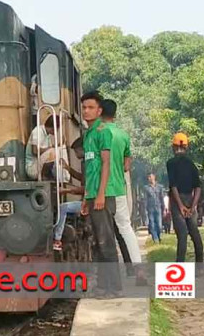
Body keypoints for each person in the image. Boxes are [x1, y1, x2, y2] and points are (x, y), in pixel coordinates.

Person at [99, 99, 145, 285]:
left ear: (100, 112)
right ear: (115, 114)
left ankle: (109, 279)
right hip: (118, 188)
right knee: (126, 228)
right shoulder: (123, 135)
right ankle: (139, 269)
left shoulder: (98, 133)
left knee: (104, 234)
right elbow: (127, 165)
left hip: (101, 191)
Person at [80, 91, 121, 296]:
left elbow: (105, 164)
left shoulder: (103, 132)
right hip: (92, 195)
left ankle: (114, 287)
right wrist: (86, 197)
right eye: (84, 107)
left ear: (99, 110)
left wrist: (100, 195)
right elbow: (89, 169)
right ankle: (103, 285)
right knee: (96, 242)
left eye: (90, 108)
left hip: (103, 194)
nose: (86, 111)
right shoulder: (87, 135)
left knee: (106, 241)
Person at [166, 133, 204, 263]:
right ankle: (200, 265)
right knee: (194, 233)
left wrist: (180, 205)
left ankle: (180, 267)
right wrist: (193, 206)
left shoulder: (171, 163)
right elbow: (198, 187)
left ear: (173, 146)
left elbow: (173, 186)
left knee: (182, 235)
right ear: (186, 147)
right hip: (191, 198)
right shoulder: (191, 164)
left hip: (178, 200)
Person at [25, 115, 69, 181]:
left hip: (40, 164)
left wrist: (59, 146)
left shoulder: (47, 135)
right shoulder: (38, 131)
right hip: (32, 167)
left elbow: (49, 149)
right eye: (57, 129)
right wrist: (52, 148)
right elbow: (35, 151)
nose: (57, 131)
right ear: (53, 127)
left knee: (61, 149)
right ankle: (44, 176)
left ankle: (64, 177)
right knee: (53, 152)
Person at [143, 173, 166, 243]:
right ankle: (155, 239)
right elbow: (145, 199)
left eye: (150, 176)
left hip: (158, 208)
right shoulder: (146, 188)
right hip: (150, 208)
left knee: (159, 224)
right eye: (148, 177)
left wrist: (164, 208)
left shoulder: (160, 187)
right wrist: (145, 209)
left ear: (154, 177)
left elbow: (162, 198)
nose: (149, 178)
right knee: (152, 224)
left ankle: (158, 237)